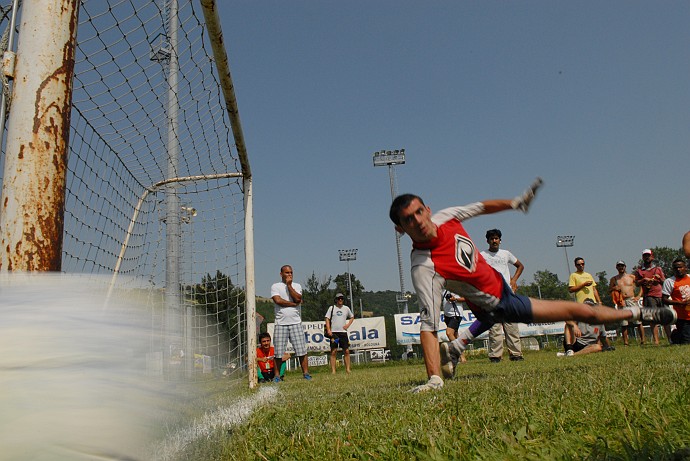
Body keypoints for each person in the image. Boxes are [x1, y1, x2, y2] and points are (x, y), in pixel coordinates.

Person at [388, 178, 676, 393]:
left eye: (418, 213)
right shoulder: (423, 267)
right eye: (408, 221)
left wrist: (514, 203)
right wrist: (433, 379)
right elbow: (427, 325)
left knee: (489, 319)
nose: (418, 222)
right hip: (499, 301)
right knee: (578, 312)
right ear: (400, 229)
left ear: (428, 209)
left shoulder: (446, 215)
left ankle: (455, 348)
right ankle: (639, 314)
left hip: (496, 285)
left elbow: (480, 207)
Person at [481, 229, 525, 363]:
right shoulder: (482, 255)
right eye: (492, 239)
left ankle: (516, 354)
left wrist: (514, 280)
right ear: (487, 241)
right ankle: (495, 356)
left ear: (500, 240)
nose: (494, 241)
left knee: (511, 325)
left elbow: (520, 266)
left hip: (507, 294)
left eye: (496, 238)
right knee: (494, 327)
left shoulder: (506, 254)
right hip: (492, 294)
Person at [271, 265, 312, 381]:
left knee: (301, 350)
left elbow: (298, 298)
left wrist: (289, 286)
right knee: (278, 352)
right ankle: (277, 376)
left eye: (291, 273)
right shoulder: (276, 286)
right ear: (281, 274)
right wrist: (293, 304)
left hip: (296, 322)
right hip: (280, 323)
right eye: (287, 273)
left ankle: (306, 374)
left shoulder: (297, 286)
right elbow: (278, 301)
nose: (289, 275)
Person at [634, 249, 666, 345]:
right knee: (653, 319)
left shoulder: (658, 269)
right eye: (645, 256)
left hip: (660, 295)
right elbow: (636, 283)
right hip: (649, 296)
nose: (647, 257)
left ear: (652, 257)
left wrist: (658, 279)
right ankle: (656, 340)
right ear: (642, 257)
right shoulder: (639, 270)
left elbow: (664, 282)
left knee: (665, 317)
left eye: (648, 255)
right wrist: (644, 280)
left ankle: (670, 338)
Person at [609, 260, 645, 346]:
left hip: (631, 299)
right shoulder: (614, 279)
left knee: (638, 321)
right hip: (622, 301)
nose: (621, 268)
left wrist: (639, 296)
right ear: (616, 267)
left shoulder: (631, 277)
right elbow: (609, 290)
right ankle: (626, 342)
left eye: (622, 266)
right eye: (619, 266)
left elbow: (641, 286)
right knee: (624, 323)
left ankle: (643, 340)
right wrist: (614, 288)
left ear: (625, 267)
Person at [324, 293, 355, 374]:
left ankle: (348, 369)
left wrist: (347, 325)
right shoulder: (332, 308)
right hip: (334, 333)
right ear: (336, 300)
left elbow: (352, 317)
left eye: (341, 298)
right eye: (338, 298)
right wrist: (328, 330)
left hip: (343, 333)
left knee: (347, 351)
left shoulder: (346, 308)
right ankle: (333, 371)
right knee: (333, 351)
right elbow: (327, 319)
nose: (340, 300)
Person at [662, 258, 690, 345]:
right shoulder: (669, 281)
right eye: (675, 268)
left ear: (685, 267)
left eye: (680, 267)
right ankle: (675, 337)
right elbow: (664, 299)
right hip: (682, 317)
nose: (678, 269)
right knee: (686, 343)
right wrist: (680, 303)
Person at [442, 291, 467, 363]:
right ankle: (462, 357)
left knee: (449, 333)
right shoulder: (443, 288)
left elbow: (466, 298)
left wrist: (455, 299)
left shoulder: (457, 286)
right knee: (455, 336)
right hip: (447, 315)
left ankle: (459, 355)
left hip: (455, 314)